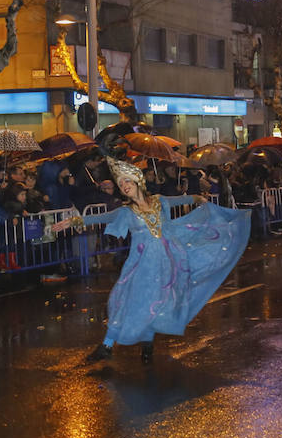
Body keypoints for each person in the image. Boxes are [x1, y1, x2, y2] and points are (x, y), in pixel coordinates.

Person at [52, 156, 251, 364]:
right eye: (121, 184)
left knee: (154, 304)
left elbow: (181, 200)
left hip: (168, 261)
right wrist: (73, 221)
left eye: (127, 181)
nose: (124, 186)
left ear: (137, 181)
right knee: (126, 301)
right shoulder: (126, 211)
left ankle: (147, 345)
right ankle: (107, 346)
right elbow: (103, 217)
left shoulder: (159, 201)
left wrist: (198, 199)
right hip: (140, 265)